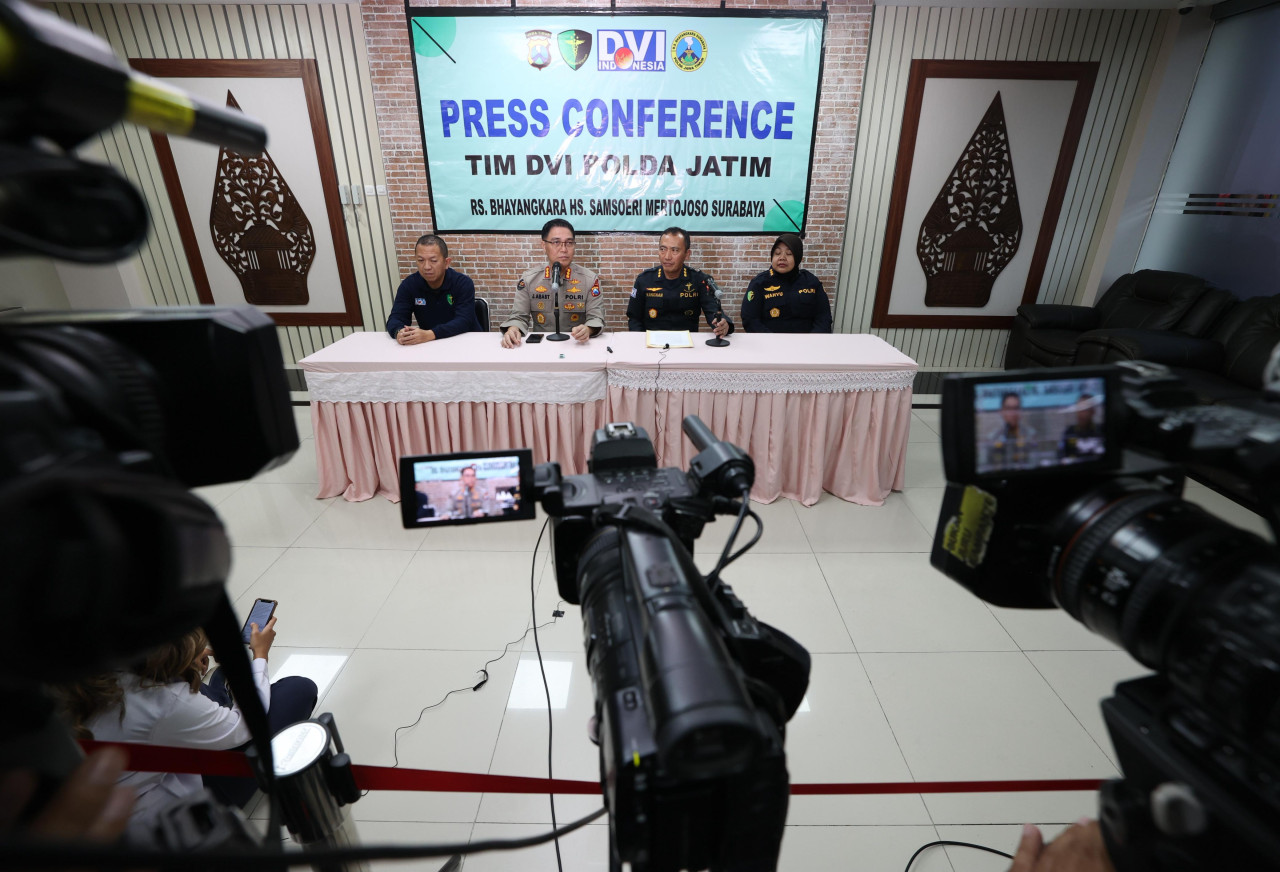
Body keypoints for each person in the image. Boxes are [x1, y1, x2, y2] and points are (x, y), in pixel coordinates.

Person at [54, 620, 317, 825]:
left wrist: (183, 666)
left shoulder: (94, 674)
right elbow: (243, 728)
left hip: (118, 785)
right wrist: (261, 655)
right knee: (299, 689)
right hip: (175, 807)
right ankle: (225, 698)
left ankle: (219, 697)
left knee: (215, 679)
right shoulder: (163, 701)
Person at [501, 219, 604, 347]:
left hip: (576, 345)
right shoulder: (529, 280)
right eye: (556, 242)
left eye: (569, 243)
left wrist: (588, 329)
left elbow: (596, 317)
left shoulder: (589, 279)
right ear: (544, 245)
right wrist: (513, 329)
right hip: (542, 347)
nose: (564, 249)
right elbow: (519, 316)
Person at [626, 227, 732, 336]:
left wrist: (724, 324)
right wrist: (640, 342)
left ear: (687, 254)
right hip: (652, 345)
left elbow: (714, 312)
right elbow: (634, 319)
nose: (667, 257)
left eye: (675, 250)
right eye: (663, 249)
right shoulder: (644, 280)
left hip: (687, 346)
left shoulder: (699, 280)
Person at [386, 234, 480, 344]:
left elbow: (464, 321)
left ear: (446, 263)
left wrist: (430, 334)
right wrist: (400, 332)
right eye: (421, 260)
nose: (426, 267)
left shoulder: (462, 283)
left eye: (433, 261)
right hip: (431, 344)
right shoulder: (409, 285)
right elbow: (396, 318)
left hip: (467, 343)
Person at [741, 233, 832, 333]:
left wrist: (810, 342)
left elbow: (824, 318)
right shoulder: (759, 283)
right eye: (777, 253)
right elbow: (750, 320)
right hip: (769, 344)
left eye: (789, 254)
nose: (782, 258)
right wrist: (772, 342)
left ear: (798, 257)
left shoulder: (811, 282)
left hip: (807, 344)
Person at [986, 392, 1037, 471]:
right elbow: (987, 467)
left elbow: (1035, 464)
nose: (1013, 413)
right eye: (1008, 409)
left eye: (1016, 408)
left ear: (1020, 411)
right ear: (1001, 411)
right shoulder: (993, 438)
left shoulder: (1030, 435)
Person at [1058, 394, 1104, 460]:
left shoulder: (1101, 430)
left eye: (1085, 409)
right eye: (1079, 408)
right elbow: (1060, 455)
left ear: (1093, 411)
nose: (1081, 413)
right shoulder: (1069, 432)